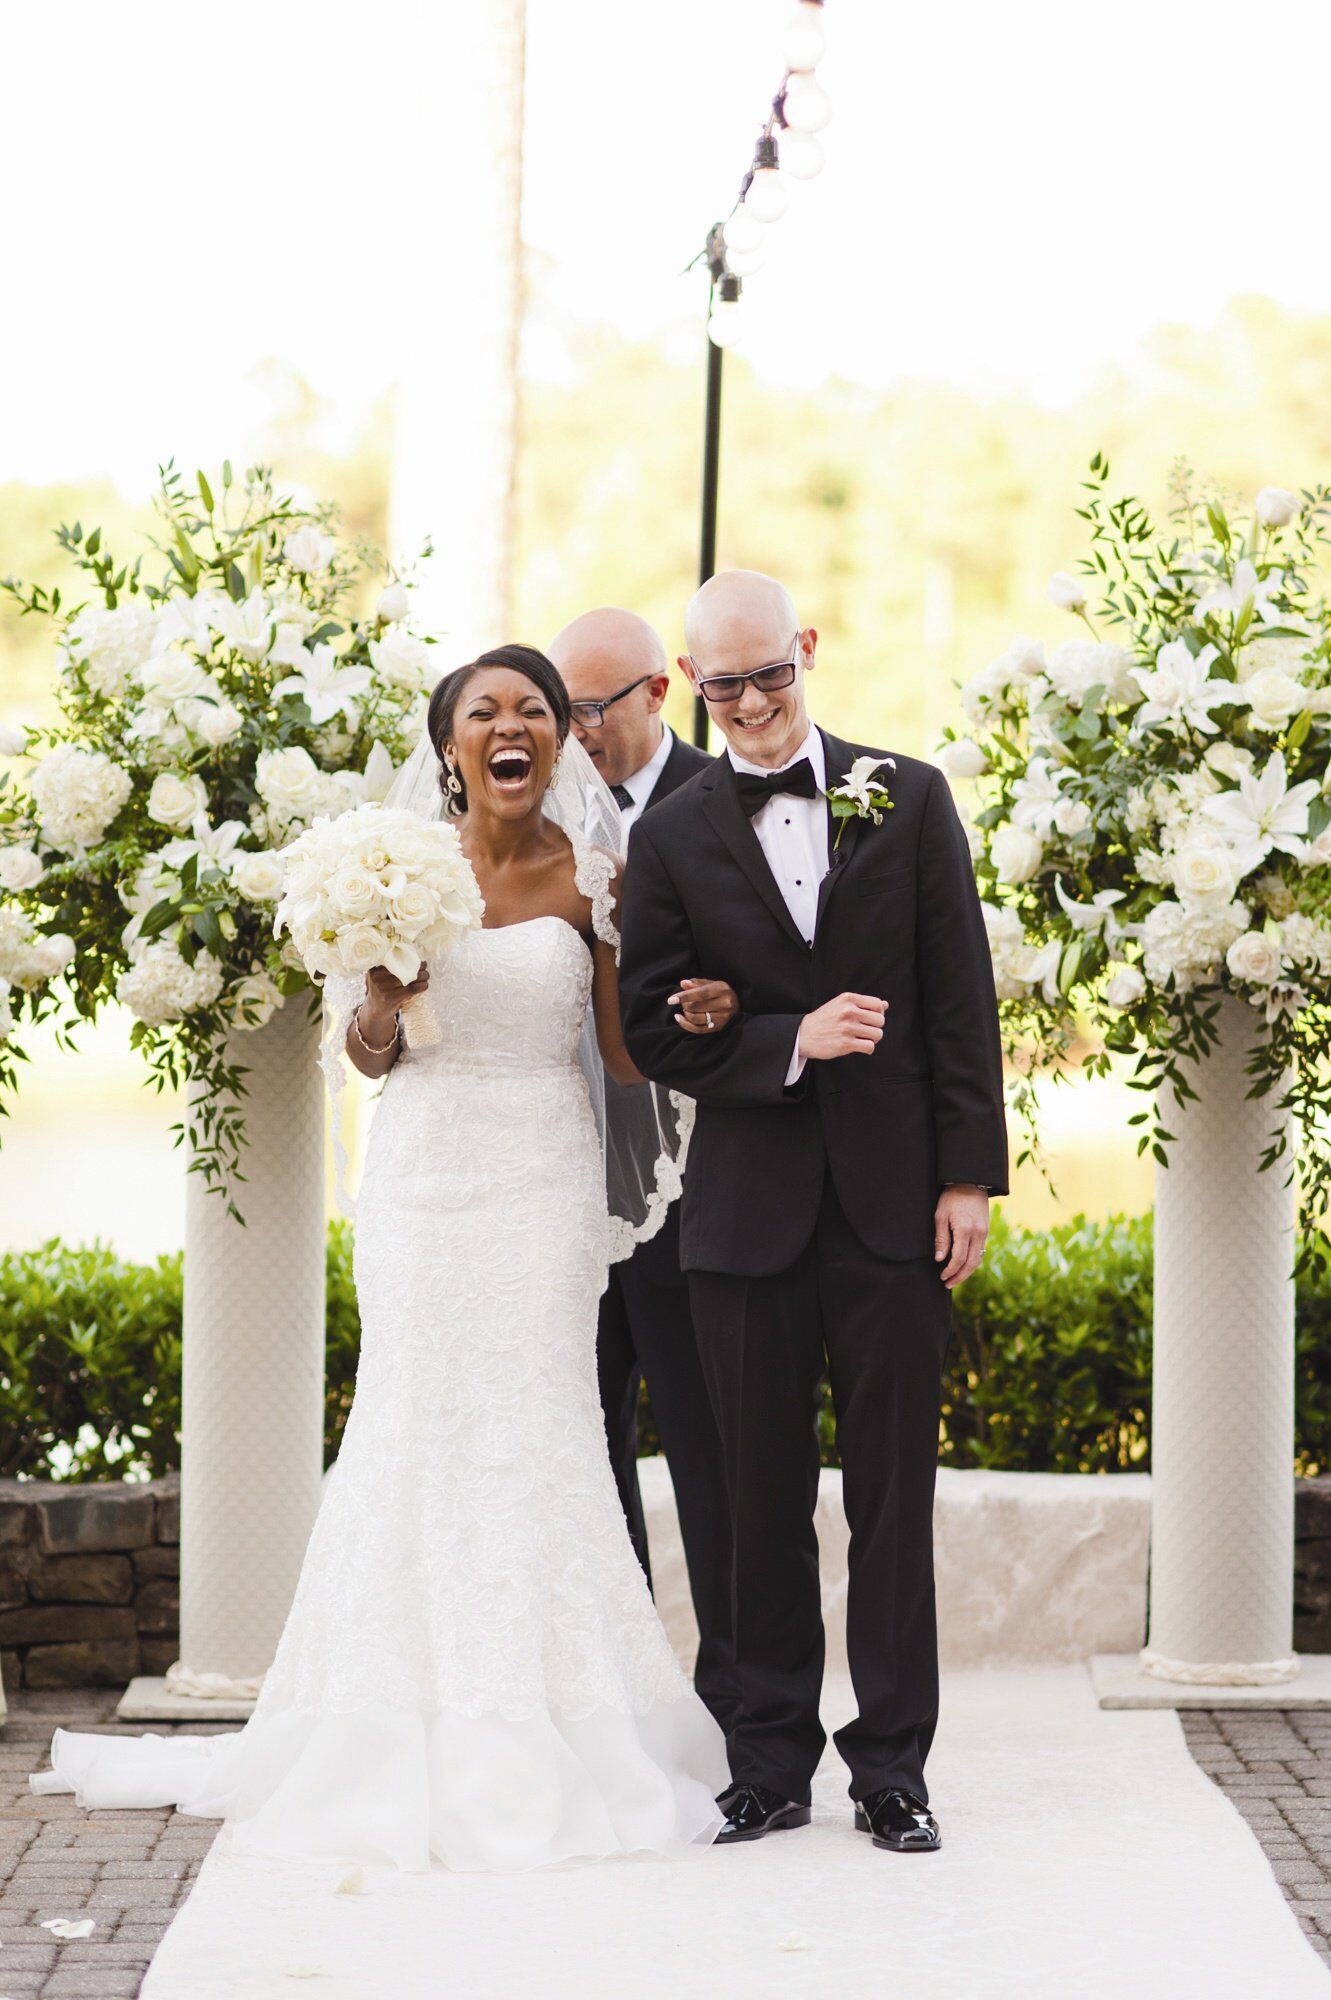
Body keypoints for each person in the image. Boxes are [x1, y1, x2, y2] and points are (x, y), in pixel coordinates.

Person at [31, 645, 742, 1874]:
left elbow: (624, 1062)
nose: (512, 727)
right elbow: (368, 1053)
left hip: (542, 1179)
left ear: (560, 745)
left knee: (537, 1424)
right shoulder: (395, 872)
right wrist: (381, 995)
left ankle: (558, 1715)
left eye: (535, 710)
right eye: (486, 712)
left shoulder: (597, 879)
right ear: (450, 744)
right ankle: (389, 1717)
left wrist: (695, 1014)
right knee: (412, 1424)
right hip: (422, 1180)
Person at [618, 573, 1008, 1855]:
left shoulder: (908, 793)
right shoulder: (670, 836)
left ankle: (892, 1767)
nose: (749, 705)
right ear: (690, 682)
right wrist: (791, 1038)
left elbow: (959, 998)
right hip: (742, 1217)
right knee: (752, 1498)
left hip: (897, 1204)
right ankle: (768, 1759)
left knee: (894, 1496)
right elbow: (650, 1025)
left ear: (808, 651)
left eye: (768, 674)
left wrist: (967, 1179)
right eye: (721, 684)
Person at [547, 608, 738, 1737]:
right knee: (586, 1437)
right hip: (557, 1178)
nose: (573, 734)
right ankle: (623, 1686)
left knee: (707, 1441)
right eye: (557, 709)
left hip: (693, 1180)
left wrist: (724, 1001)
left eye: (590, 709)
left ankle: (729, 1695)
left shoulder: (721, 803)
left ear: (658, 693)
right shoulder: (527, 813)